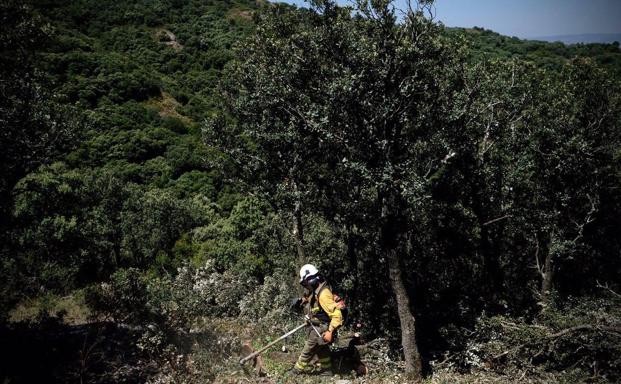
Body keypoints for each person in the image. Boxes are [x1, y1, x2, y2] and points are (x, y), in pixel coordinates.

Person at [291, 264, 343, 375]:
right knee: (322, 350)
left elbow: (336, 314)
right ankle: (327, 370)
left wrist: (330, 331)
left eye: (305, 283)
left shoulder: (323, 294)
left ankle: (296, 371)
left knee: (308, 349)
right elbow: (311, 301)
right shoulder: (316, 291)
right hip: (317, 326)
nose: (305, 286)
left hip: (321, 328)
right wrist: (301, 301)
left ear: (311, 280)